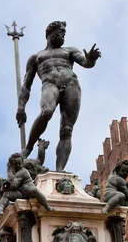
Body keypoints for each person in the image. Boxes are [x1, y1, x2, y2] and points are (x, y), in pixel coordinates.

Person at [16, 21, 101, 172]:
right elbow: (26, 86)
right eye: (60, 32)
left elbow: (86, 63)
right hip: (49, 84)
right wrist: (21, 107)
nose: (62, 35)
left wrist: (91, 59)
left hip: (71, 84)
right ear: (49, 33)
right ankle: (28, 148)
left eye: (64, 33)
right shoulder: (36, 57)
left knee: (67, 129)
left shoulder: (69, 51)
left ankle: (60, 171)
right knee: (46, 111)